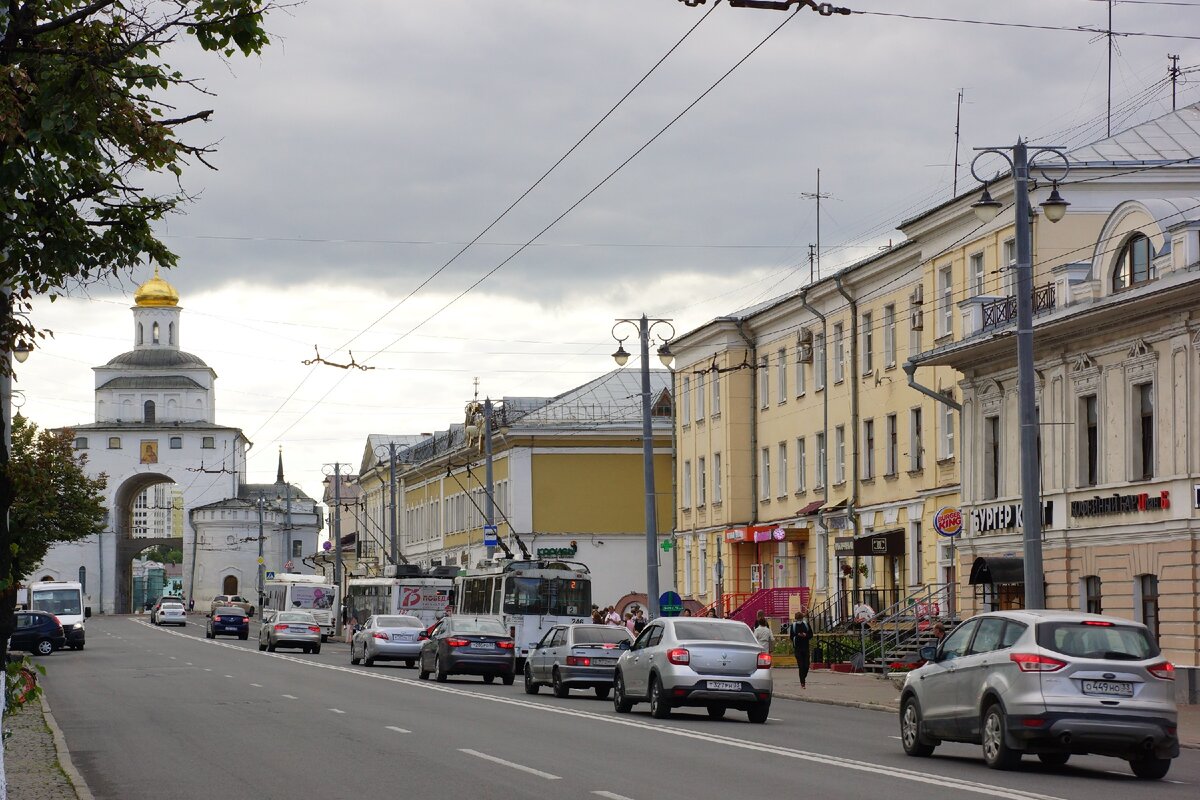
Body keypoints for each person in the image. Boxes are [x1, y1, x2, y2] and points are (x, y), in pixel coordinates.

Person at [790, 610, 813, 688]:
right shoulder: (793, 626)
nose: (799, 621)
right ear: (796, 619)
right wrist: (798, 636)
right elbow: (791, 637)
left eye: (800, 619)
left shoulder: (806, 625)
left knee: (806, 666)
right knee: (801, 666)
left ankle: (803, 677)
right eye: (798, 619)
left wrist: (805, 635)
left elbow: (811, 635)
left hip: (806, 647)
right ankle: (802, 683)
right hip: (798, 649)